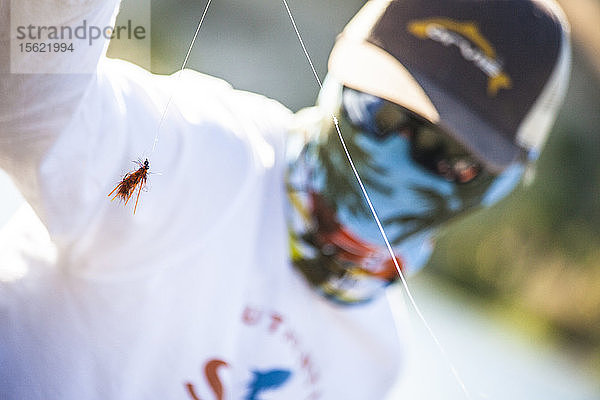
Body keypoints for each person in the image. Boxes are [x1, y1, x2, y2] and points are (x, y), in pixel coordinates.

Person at [0, 0, 570, 399]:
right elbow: (36, 103)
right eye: (383, 112)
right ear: (341, 66)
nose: (398, 155)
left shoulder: (375, 359)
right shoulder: (193, 148)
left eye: (452, 158)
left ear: (500, 183)